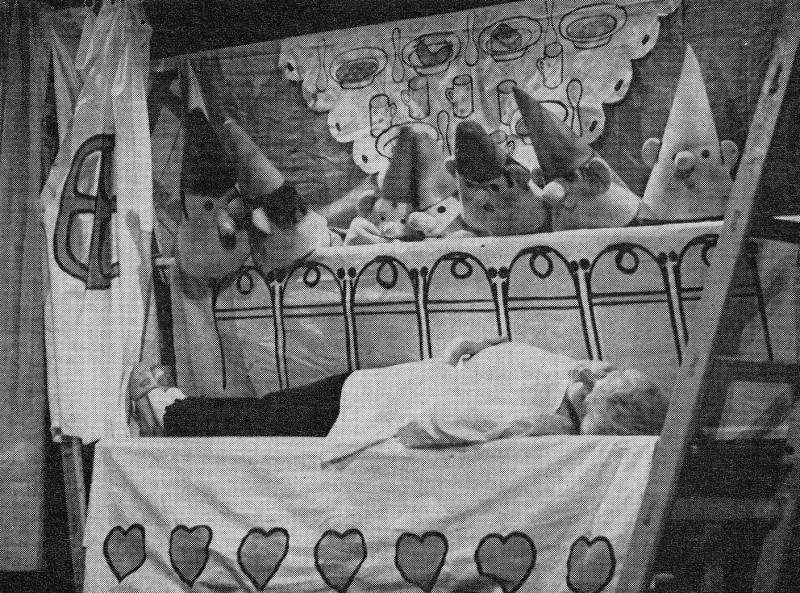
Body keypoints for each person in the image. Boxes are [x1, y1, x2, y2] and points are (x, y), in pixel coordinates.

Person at [142, 336, 668, 441]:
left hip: (382, 404)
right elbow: (492, 353)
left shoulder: (544, 415)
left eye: (594, 386)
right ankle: (180, 411)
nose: (588, 379)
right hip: (388, 387)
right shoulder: (560, 373)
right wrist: (478, 348)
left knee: (270, 418)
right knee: (273, 410)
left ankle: (172, 414)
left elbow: (441, 422)